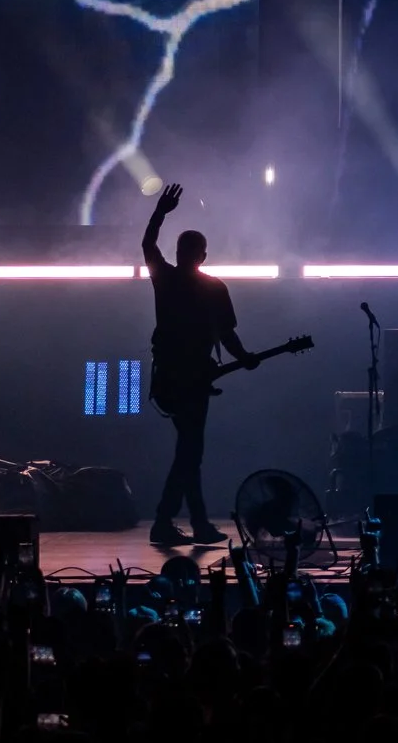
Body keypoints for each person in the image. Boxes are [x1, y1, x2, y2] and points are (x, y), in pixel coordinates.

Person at [142, 184, 257, 548]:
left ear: (180, 253)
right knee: (191, 450)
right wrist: (245, 358)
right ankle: (179, 520)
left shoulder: (167, 279)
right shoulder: (212, 288)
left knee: (189, 450)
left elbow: (147, 245)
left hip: (174, 379)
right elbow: (228, 336)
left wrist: (161, 212)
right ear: (203, 256)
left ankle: (184, 521)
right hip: (191, 380)